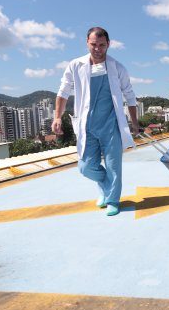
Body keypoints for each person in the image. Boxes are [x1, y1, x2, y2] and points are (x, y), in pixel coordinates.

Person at [52, 27, 139, 216]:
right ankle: (107, 187)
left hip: (111, 126)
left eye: (101, 45)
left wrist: (134, 123)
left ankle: (113, 200)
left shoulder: (117, 67)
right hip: (87, 126)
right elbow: (63, 92)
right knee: (85, 167)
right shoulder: (76, 65)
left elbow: (130, 96)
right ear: (87, 43)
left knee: (114, 166)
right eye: (94, 45)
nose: (98, 49)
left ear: (108, 44)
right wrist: (57, 116)